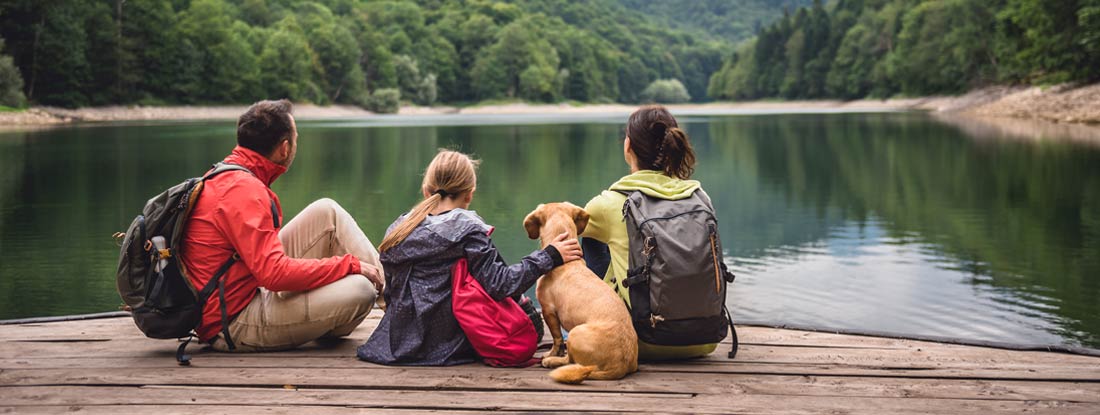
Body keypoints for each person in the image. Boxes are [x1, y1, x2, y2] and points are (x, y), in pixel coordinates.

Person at [182, 99, 385, 352]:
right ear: (285, 148)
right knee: (361, 290)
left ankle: (396, 302)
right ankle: (399, 307)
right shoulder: (245, 191)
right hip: (233, 322)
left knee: (327, 211)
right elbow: (274, 275)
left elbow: (265, 268)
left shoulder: (227, 174)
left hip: (244, 287)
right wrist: (348, 265)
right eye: (296, 138)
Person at [357, 150, 582, 365]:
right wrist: (549, 256)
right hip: (450, 344)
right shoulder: (467, 230)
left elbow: (391, 292)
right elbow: (501, 284)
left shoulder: (398, 229)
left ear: (426, 191)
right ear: (470, 194)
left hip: (397, 342)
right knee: (528, 316)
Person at [580, 105, 719, 360]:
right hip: (706, 339)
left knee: (588, 237)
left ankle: (586, 326)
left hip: (637, 340)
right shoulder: (700, 197)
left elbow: (564, 234)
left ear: (628, 146)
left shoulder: (609, 203)